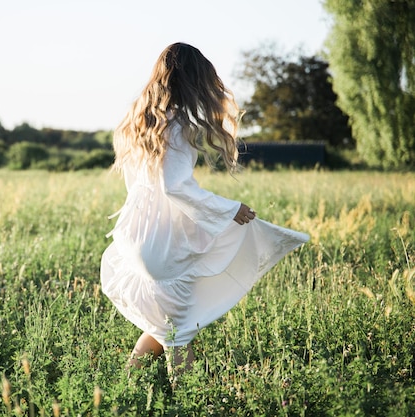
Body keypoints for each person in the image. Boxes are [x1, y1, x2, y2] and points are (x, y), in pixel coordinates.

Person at [100, 42, 309, 379]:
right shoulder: (178, 125)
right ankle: (187, 404)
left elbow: (149, 190)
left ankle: (124, 389)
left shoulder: (141, 123)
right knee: (179, 332)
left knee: (166, 324)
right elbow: (175, 186)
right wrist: (230, 209)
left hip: (136, 240)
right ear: (194, 81)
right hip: (162, 247)